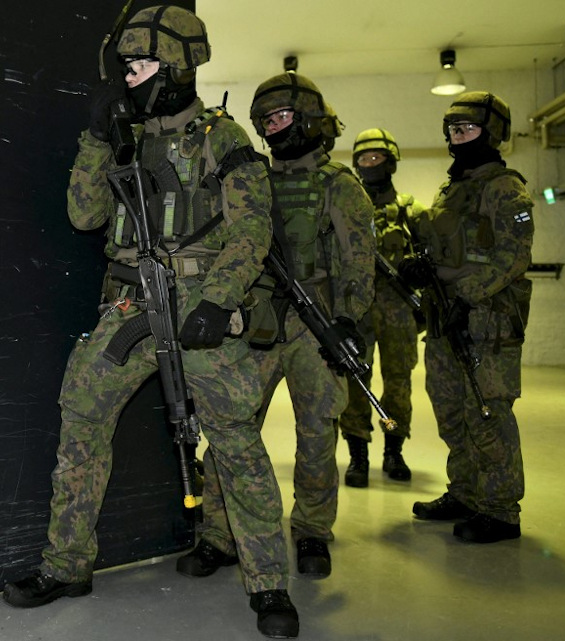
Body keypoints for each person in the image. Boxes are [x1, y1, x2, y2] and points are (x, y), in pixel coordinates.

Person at [3, 6, 299, 637]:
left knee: (236, 442)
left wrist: (218, 301)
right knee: (82, 412)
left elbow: (252, 229)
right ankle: (67, 564)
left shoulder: (223, 139)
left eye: (138, 66)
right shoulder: (123, 135)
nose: (128, 78)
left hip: (202, 308)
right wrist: (95, 138)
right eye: (126, 66)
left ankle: (269, 581)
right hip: (133, 305)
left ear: (176, 66)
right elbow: (84, 217)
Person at [177, 72, 375, 581]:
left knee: (316, 433)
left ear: (310, 116)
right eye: (265, 120)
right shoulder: (252, 178)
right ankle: (220, 535)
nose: (273, 126)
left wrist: (350, 320)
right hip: (257, 322)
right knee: (232, 428)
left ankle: (311, 530)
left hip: (317, 323)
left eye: (282, 116)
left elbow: (358, 264)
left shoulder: (339, 186)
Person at [399, 91, 533, 543]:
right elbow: (447, 248)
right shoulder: (452, 188)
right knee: (451, 411)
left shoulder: (505, 188)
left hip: (486, 323)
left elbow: (515, 256)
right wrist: (422, 269)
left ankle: (500, 509)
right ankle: (466, 492)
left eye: (467, 129)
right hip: (445, 320)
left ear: (492, 133)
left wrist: (470, 295)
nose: (458, 138)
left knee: (488, 414)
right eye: (453, 131)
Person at [339, 129, 427, 488]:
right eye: (363, 158)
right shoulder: (345, 210)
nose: (369, 164)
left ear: (390, 162)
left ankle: (394, 450)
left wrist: (418, 269)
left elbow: (434, 259)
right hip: (357, 307)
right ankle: (358, 454)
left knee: (398, 383)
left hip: (398, 308)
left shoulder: (411, 210)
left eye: (376, 158)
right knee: (355, 382)